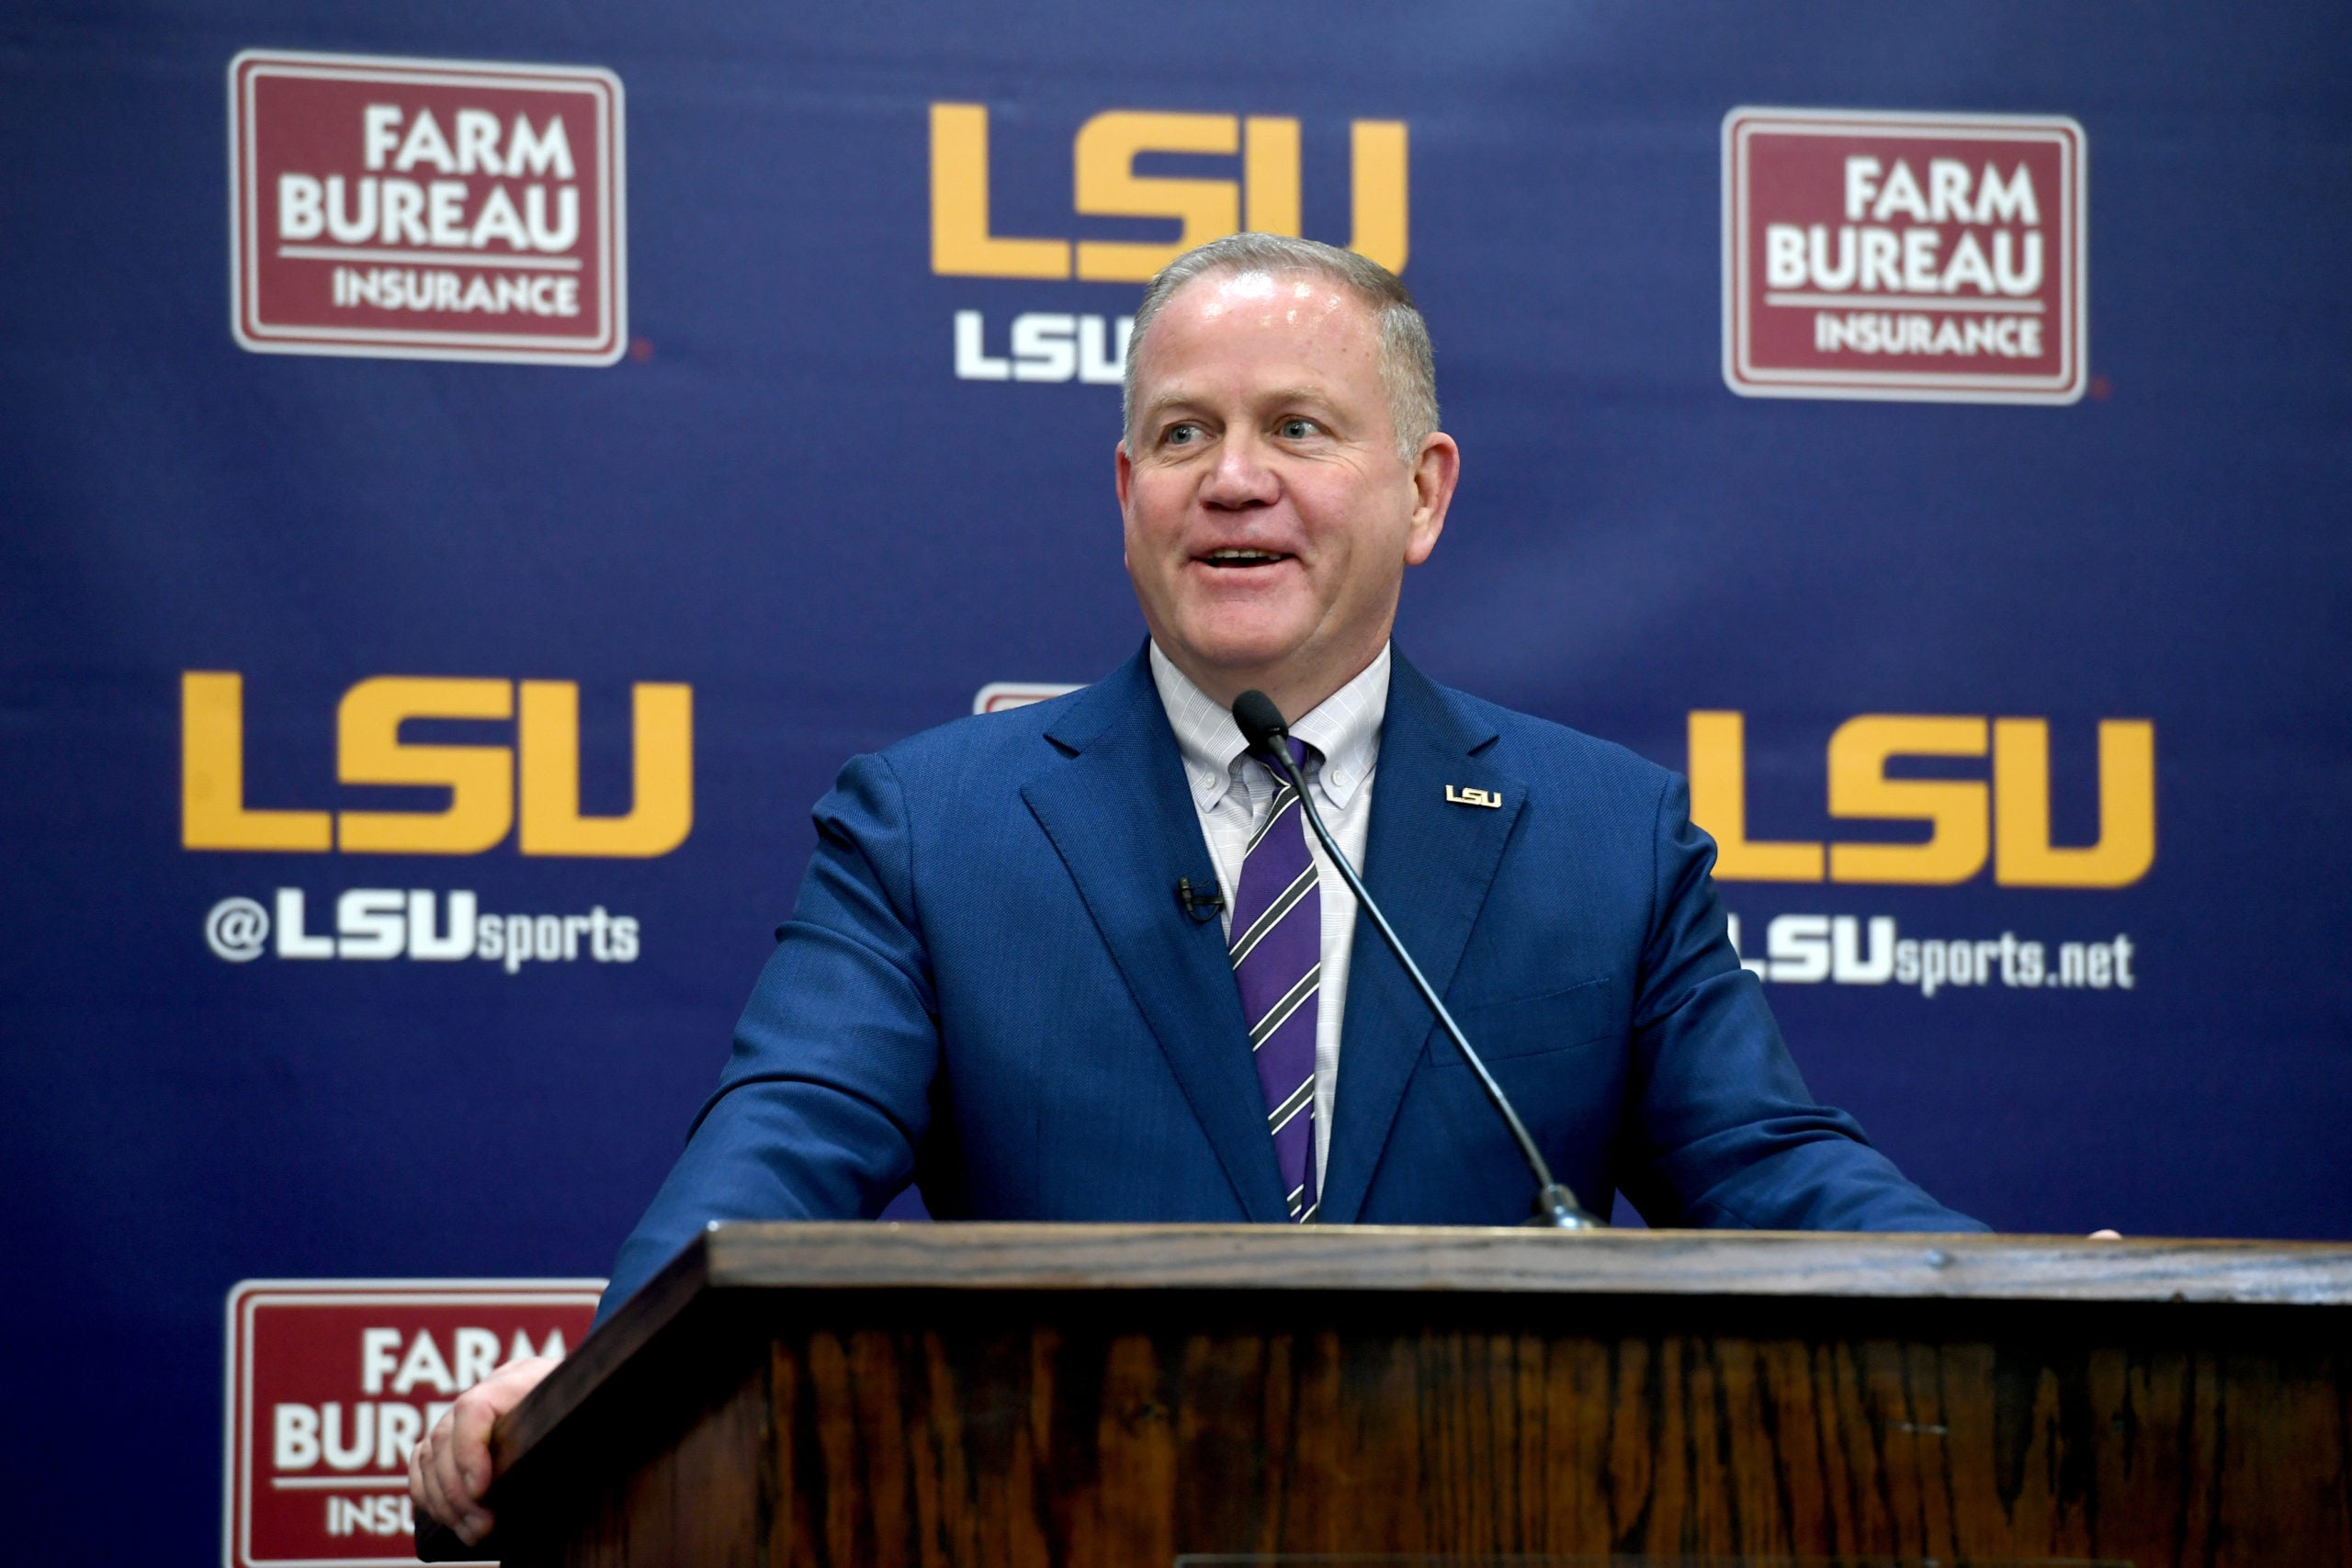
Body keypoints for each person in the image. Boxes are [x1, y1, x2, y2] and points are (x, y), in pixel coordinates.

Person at [411, 232, 1983, 1544]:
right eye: (1183, 435)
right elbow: (779, 1145)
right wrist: (591, 1382)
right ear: (1126, 494)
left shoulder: (1605, 834)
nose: (1233, 480)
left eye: (1300, 428)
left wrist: (2012, 1304)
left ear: (1425, 493)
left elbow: (1769, 1165)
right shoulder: (933, 828)